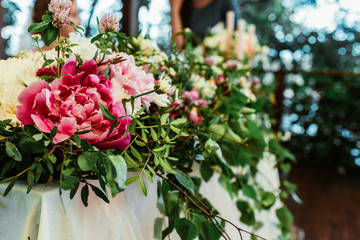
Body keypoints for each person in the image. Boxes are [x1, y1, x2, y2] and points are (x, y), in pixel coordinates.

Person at [170, 0, 240, 50]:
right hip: (191, 66)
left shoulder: (224, 2)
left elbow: (237, 36)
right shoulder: (183, 6)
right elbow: (178, 48)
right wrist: (175, 11)